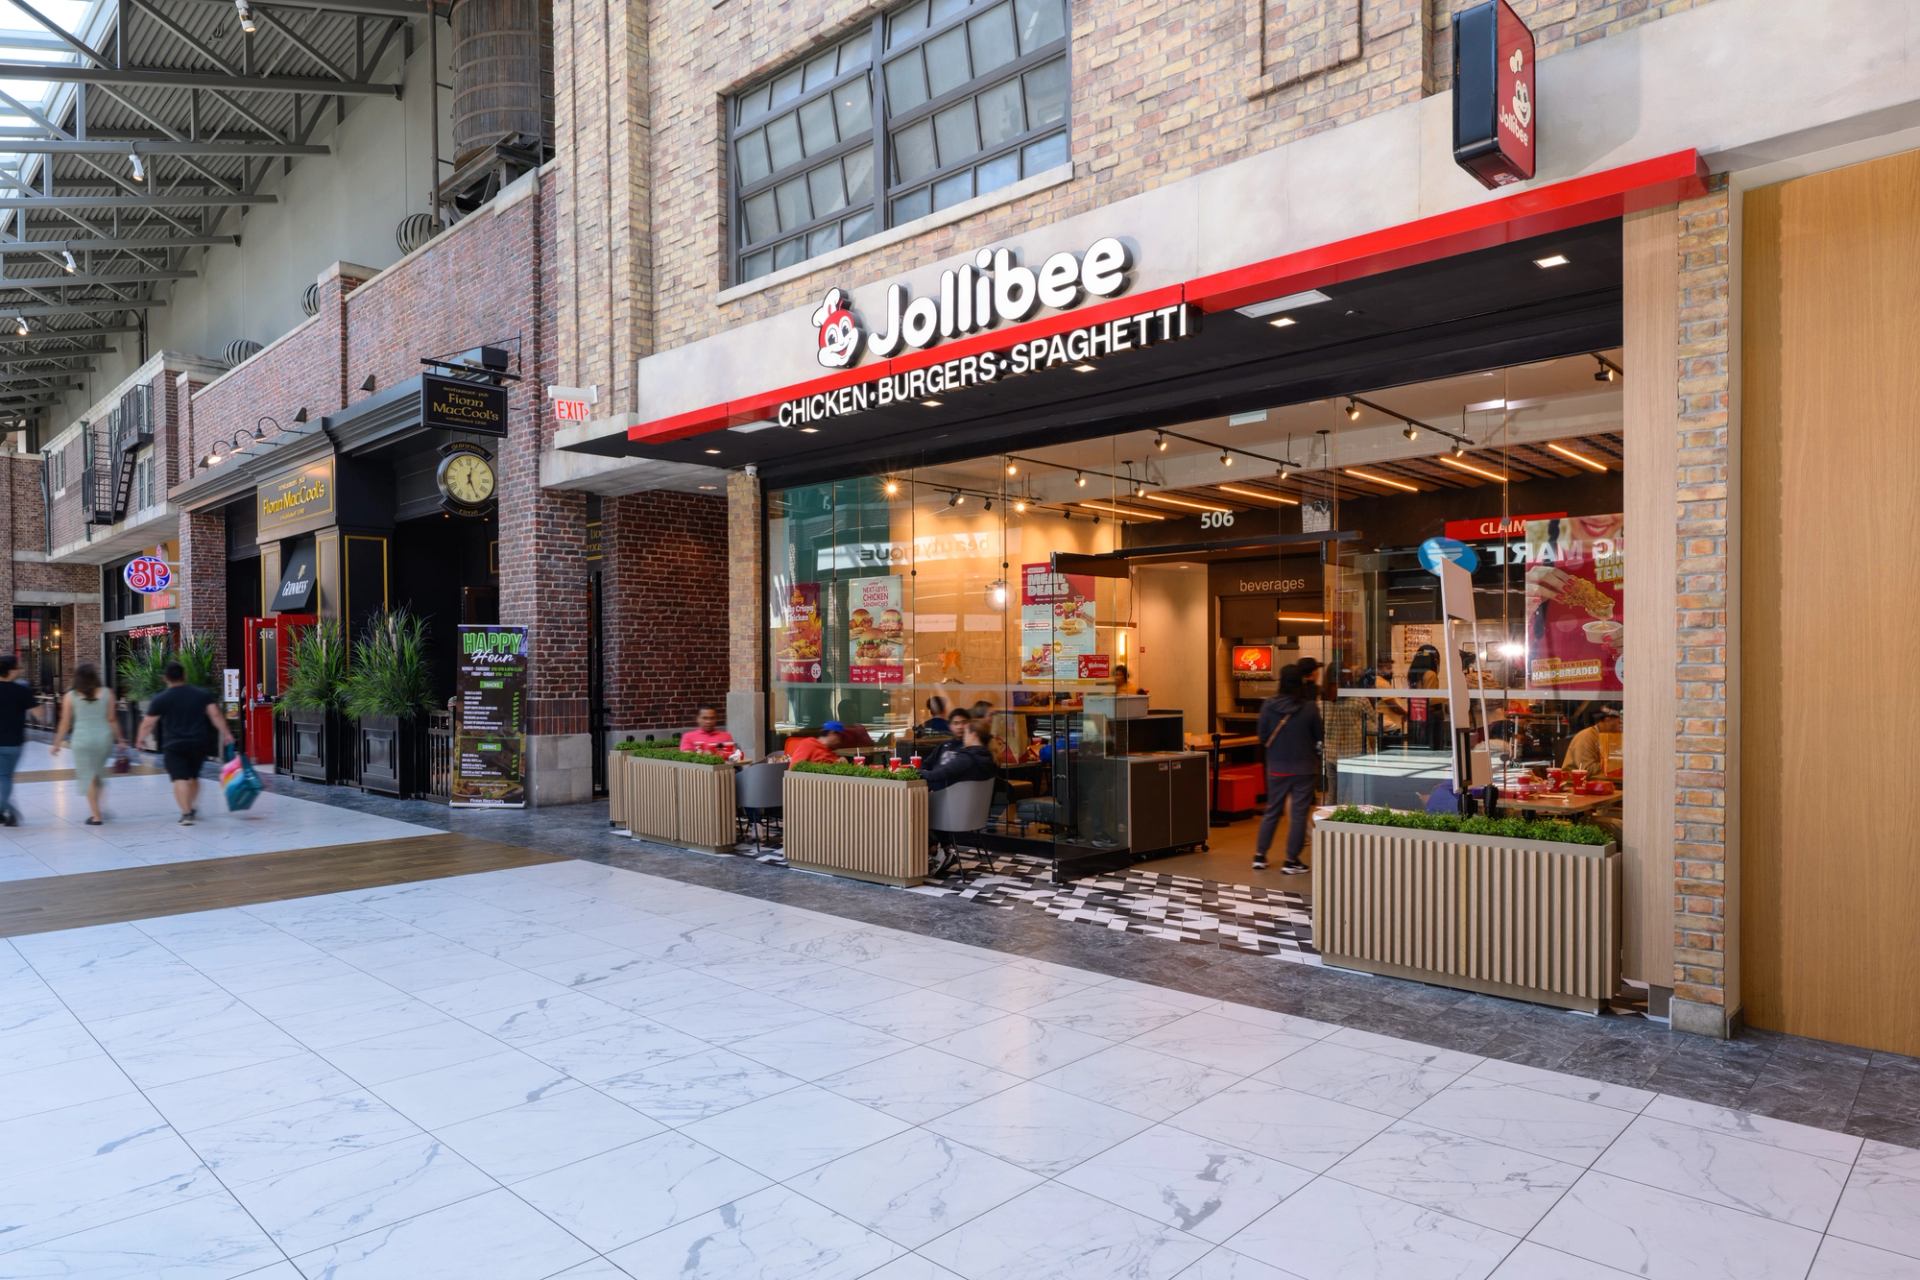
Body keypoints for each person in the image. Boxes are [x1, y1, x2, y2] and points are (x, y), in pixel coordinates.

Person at [137, 661, 234, 826]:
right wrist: (227, 733)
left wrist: (140, 738)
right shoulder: (201, 694)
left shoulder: (161, 699)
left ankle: (186, 813)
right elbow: (215, 715)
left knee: (179, 779)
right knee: (193, 777)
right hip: (198, 742)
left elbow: (148, 723)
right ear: (184, 676)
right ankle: (192, 806)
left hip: (174, 745)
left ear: (166, 678)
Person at [1253, 662, 1322, 875]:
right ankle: (1291, 860)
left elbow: (1262, 735)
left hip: (1277, 767)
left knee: (1272, 811)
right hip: (1304, 768)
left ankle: (1260, 856)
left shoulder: (1268, 705)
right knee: (1299, 814)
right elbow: (1319, 737)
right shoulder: (1309, 707)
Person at [51, 662, 126, 825]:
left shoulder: (70, 697)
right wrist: (120, 739)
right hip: (103, 739)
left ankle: (96, 815)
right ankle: (98, 808)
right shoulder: (108, 693)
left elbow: (65, 722)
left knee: (88, 776)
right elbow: (112, 719)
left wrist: (56, 743)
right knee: (97, 775)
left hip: (82, 740)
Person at [0, 653, 37, 826]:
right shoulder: (23, 690)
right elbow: (40, 715)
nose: (20, 670)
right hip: (14, 742)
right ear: (11, 671)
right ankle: (7, 810)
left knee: (3, 777)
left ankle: (6, 810)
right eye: (18, 667)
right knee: (5, 777)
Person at [1562, 705, 1622, 777]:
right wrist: (1618, 763)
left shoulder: (1610, 737)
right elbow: (1587, 769)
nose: (1621, 726)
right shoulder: (1586, 736)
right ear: (1607, 720)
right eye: (1619, 722)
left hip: (1604, 783)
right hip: (1575, 784)